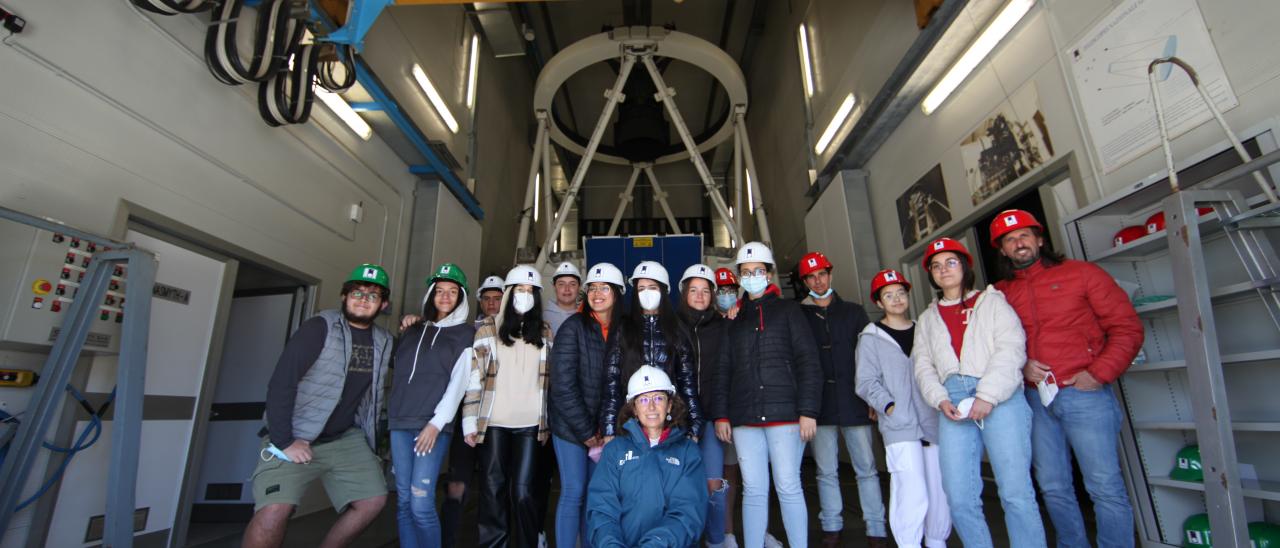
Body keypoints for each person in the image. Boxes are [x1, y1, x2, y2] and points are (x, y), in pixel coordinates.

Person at [989, 210, 1143, 548]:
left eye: (1025, 235)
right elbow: (995, 347)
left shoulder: (1082, 274)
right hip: (1033, 398)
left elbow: (1127, 329)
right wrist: (1021, 366)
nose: (1019, 243)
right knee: (1053, 486)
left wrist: (1098, 374)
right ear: (1002, 250)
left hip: (1083, 393)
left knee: (1103, 485)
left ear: (1040, 239)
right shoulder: (998, 294)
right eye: (1010, 240)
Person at [244, 264, 394, 548]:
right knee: (275, 509)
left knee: (372, 500)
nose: (363, 299)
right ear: (343, 295)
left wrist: (417, 325)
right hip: (295, 434)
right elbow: (281, 383)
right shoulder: (320, 327)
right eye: (357, 292)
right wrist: (284, 440)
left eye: (372, 296)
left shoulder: (384, 341)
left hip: (343, 437)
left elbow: (420, 358)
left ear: (383, 304)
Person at [913, 237, 1046, 548]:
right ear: (931, 274)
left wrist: (987, 395)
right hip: (952, 401)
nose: (943, 270)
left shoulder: (992, 302)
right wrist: (940, 398)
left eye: (950, 262)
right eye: (936, 266)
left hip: (999, 396)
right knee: (958, 496)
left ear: (965, 266)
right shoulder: (928, 318)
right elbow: (922, 365)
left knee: (1015, 492)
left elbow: (1011, 348)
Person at [711, 242, 822, 548]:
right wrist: (721, 414)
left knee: (788, 486)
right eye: (745, 272)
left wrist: (808, 411)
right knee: (754, 489)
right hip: (745, 417)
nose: (752, 277)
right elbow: (724, 370)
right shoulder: (734, 319)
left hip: (785, 416)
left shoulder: (790, 311)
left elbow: (808, 362)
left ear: (771, 275)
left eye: (758, 271)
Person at [402, 273, 504, 548]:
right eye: (488, 299)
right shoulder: (465, 332)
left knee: (495, 487)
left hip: (500, 423)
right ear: (479, 301)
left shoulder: (516, 330)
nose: (493, 304)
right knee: (456, 488)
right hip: (464, 421)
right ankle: (447, 541)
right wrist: (415, 322)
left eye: (498, 298)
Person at [855, 269, 951, 548]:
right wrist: (889, 405)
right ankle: (909, 543)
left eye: (900, 293)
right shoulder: (871, 337)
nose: (896, 299)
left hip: (933, 421)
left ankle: (936, 541)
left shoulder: (925, 330)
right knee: (910, 490)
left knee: (939, 488)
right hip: (899, 425)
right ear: (878, 302)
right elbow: (865, 381)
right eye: (888, 295)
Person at [797, 251, 887, 547]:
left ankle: (876, 527)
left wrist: (874, 398)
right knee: (825, 470)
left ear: (830, 275)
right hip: (818, 404)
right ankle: (832, 524)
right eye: (811, 276)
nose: (818, 280)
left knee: (866, 468)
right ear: (804, 281)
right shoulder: (799, 315)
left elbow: (870, 358)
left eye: (822, 274)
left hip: (854, 399)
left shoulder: (853, 311)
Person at [462, 265, 553, 548]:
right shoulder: (488, 329)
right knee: (492, 489)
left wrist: (549, 422)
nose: (524, 296)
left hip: (530, 425)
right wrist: (469, 421)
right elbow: (474, 379)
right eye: (519, 290)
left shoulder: (545, 331)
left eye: (530, 292)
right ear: (508, 293)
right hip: (494, 424)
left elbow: (551, 382)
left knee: (524, 492)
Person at [388, 263, 477, 548]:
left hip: (432, 426)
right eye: (439, 291)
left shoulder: (465, 334)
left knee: (421, 501)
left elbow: (458, 384)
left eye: (453, 292)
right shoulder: (412, 330)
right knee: (403, 501)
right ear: (430, 295)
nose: (445, 297)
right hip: (400, 422)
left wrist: (436, 424)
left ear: (461, 298)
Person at [586, 366, 708, 547]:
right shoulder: (614, 451)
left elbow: (688, 512)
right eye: (643, 400)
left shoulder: (688, 452)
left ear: (670, 405)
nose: (651, 406)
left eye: (658, 398)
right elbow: (601, 509)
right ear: (634, 409)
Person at [548, 262, 626, 548]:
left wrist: (608, 427)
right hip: (570, 428)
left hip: (604, 430)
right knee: (574, 491)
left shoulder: (622, 330)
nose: (597, 293)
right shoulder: (573, 327)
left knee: (596, 495)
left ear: (617, 293)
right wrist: (585, 430)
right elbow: (562, 385)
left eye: (604, 288)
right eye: (592, 288)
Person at [600, 261, 703, 442]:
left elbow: (687, 383)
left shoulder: (677, 329)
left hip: (670, 422)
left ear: (663, 290)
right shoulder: (623, 329)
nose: (646, 293)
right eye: (641, 289)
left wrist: (694, 427)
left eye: (653, 287)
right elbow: (612, 384)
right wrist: (609, 429)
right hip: (632, 422)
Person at [676, 264, 733, 548]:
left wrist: (722, 414)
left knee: (714, 486)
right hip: (677, 422)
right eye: (694, 290)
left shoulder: (723, 327)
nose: (699, 296)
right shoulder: (671, 325)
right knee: (680, 489)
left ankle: (716, 540)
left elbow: (727, 374)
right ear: (685, 293)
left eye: (705, 290)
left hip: (711, 419)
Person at [712, 266, 742, 544]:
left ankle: (731, 531)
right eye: (720, 291)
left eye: (730, 290)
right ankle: (720, 532)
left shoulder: (744, 319)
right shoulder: (706, 322)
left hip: (742, 409)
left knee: (736, 472)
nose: (725, 295)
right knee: (715, 474)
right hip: (713, 412)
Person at [545, 261, 582, 337]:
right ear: (554, 287)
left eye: (572, 284)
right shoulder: (543, 318)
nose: (567, 289)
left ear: (579, 287)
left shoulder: (586, 317)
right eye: (561, 284)